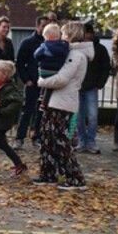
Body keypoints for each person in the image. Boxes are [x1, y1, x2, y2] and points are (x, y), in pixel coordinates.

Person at [33, 21, 94, 189]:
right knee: (48, 138)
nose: (61, 37)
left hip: (62, 102)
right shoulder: (70, 53)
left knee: (60, 140)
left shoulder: (76, 55)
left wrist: (41, 81)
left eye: (64, 34)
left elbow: (62, 79)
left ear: (71, 35)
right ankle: (48, 173)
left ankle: (75, 178)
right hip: (56, 101)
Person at [15, 13, 56, 149]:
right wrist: (26, 79)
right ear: (37, 26)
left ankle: (36, 136)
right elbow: (20, 63)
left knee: (41, 112)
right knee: (27, 111)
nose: (45, 29)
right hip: (32, 82)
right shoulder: (28, 42)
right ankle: (20, 137)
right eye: (43, 26)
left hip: (46, 83)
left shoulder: (52, 43)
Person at [74, 22, 111, 154]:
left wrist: (99, 83)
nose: (87, 36)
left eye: (89, 33)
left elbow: (105, 67)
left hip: (91, 87)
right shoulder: (76, 48)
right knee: (79, 117)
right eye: (85, 33)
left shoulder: (100, 49)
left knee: (92, 116)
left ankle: (91, 141)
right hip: (78, 86)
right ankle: (82, 140)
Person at [34, 23, 69, 111]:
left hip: (44, 70)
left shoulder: (45, 45)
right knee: (50, 87)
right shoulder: (64, 46)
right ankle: (44, 101)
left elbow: (36, 55)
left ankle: (42, 98)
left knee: (46, 83)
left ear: (48, 37)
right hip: (57, 70)